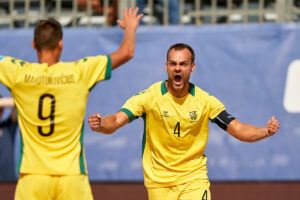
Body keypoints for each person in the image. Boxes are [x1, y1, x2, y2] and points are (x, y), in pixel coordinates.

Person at [88, 43, 280, 200]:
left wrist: (265, 131)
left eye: (183, 64)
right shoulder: (149, 97)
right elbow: (116, 120)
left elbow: (238, 128)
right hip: (159, 181)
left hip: (193, 178)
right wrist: (101, 124)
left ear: (192, 67)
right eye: (173, 64)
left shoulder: (205, 101)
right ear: (166, 66)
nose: (177, 68)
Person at [0, 7, 142, 200]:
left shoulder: (17, 73)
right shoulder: (79, 72)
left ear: (34, 44)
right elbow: (126, 53)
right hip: (71, 176)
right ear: (61, 44)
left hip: (33, 176)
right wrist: (130, 28)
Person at [0, 97, 18, 181]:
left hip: (9, 181)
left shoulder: (8, 127)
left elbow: (17, 105)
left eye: (0, 109)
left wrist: (4, 102)